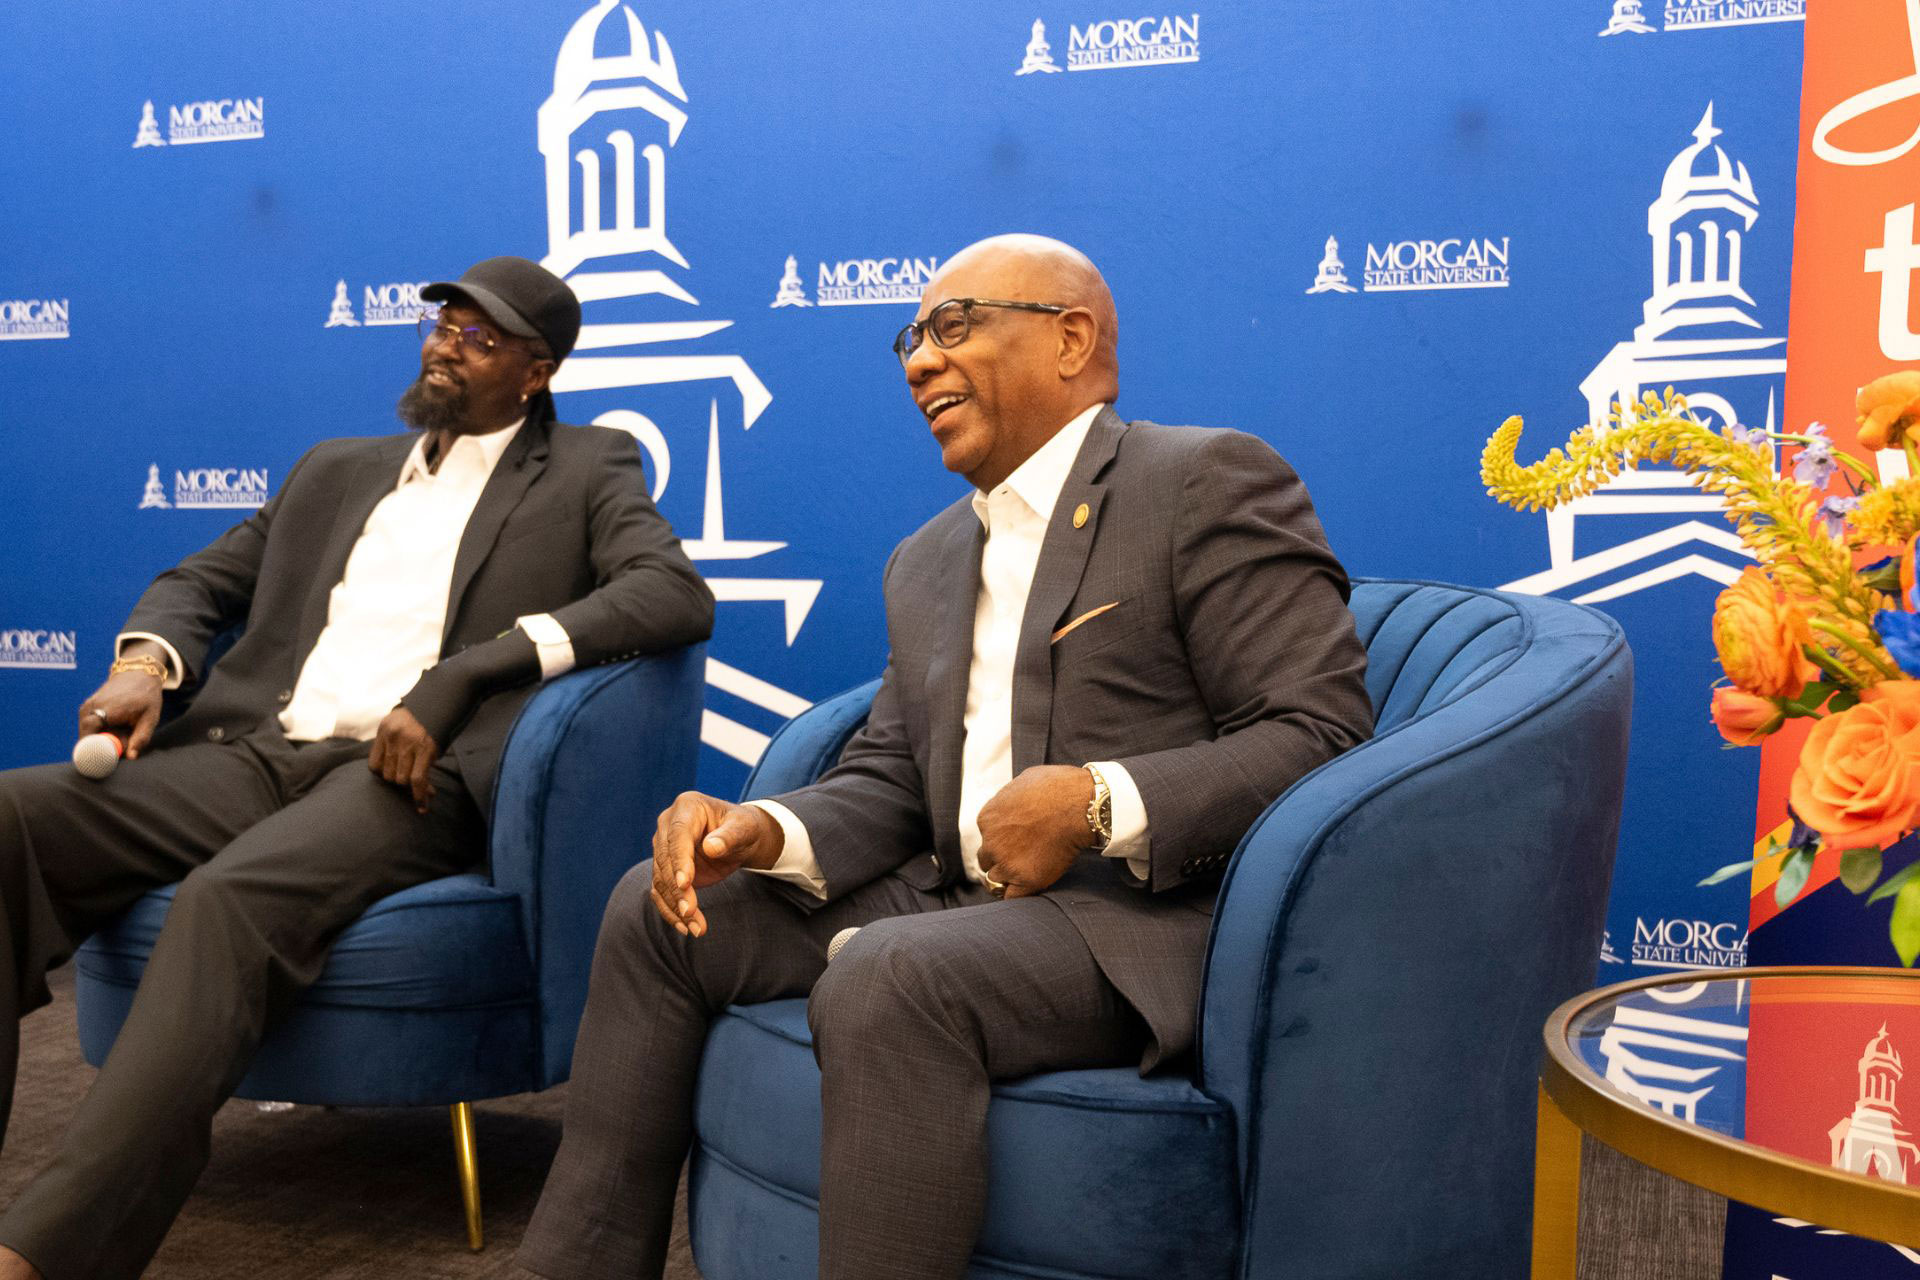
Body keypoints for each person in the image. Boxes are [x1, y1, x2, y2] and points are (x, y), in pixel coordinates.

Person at [518, 234, 1375, 1279]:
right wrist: (762, 831)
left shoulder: (1199, 480)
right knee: (660, 910)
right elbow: (890, 773)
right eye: (912, 338)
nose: (920, 360)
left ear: (1071, 340)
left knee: (892, 974)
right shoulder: (924, 558)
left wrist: (1096, 802)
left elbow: (1320, 731)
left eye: (954, 325)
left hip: (1132, 923)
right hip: (950, 899)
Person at [0, 256, 714, 1280]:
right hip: (255, 752)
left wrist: (468, 671)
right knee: (13, 816)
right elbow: (200, 581)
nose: (445, 346)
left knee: (227, 902)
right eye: (442, 325)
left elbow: (672, 593)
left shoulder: (588, 465)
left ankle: (43, 1251)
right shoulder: (334, 467)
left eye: (479, 337)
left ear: (537, 371)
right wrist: (144, 664)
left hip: (405, 780)